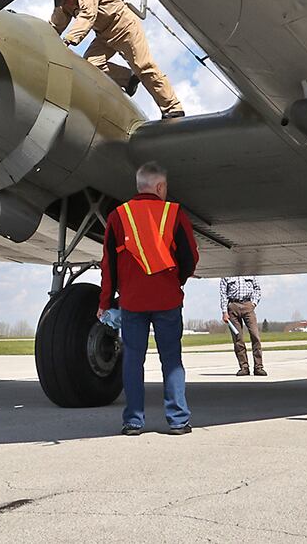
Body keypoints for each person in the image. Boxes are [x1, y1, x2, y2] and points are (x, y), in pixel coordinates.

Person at [98, 161, 200, 435]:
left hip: (132, 302)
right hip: (167, 300)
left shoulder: (118, 216)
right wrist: (174, 282)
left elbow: (108, 264)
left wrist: (105, 302)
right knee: (172, 360)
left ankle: (133, 421)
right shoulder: (174, 213)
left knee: (133, 360)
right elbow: (190, 257)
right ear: (160, 186)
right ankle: (178, 420)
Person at [50, 0, 184, 119]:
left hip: (125, 26)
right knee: (90, 66)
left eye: (65, 1)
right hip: (104, 35)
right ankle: (129, 79)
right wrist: (48, 38)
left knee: (144, 66)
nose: (65, 5)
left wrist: (68, 40)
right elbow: (56, 23)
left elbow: (88, 15)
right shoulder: (66, 2)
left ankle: (172, 108)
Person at [219, 276, 266, 376]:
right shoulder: (226, 274)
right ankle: (244, 367)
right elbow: (223, 293)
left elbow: (257, 288)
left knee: (255, 335)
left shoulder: (250, 272)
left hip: (247, 304)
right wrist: (224, 311)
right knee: (238, 338)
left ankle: (258, 367)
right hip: (233, 306)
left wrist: (253, 303)